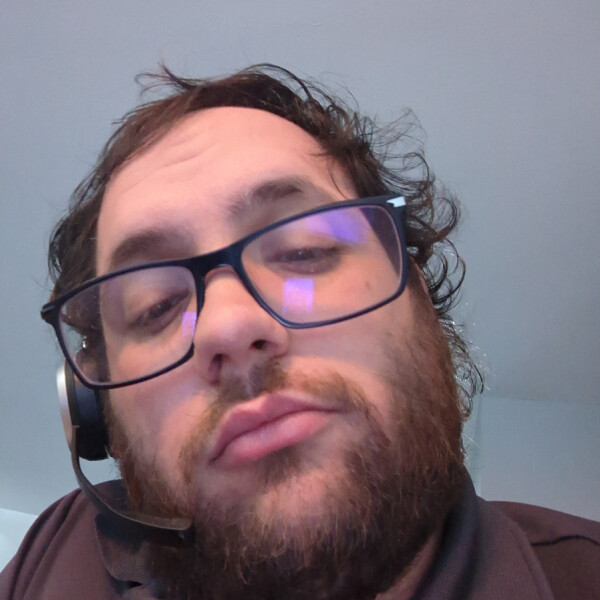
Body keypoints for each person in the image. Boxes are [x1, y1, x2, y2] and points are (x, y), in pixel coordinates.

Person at [1, 64, 599, 600]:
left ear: (418, 298)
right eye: (156, 307)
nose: (229, 325)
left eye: (304, 251)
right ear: (94, 411)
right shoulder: (54, 554)